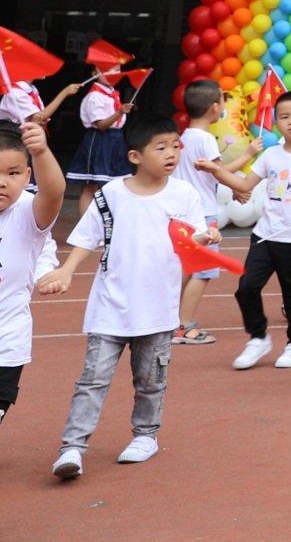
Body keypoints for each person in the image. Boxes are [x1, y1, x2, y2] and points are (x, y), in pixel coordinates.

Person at [37, 111, 212, 480]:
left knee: (150, 380)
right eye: (161, 147)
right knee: (93, 380)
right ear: (135, 156)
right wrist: (67, 271)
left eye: (175, 146)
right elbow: (87, 238)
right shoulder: (112, 194)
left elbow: (191, 239)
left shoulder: (184, 194)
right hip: (110, 306)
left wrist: (205, 238)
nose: (171, 153)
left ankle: (145, 436)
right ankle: (72, 448)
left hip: (159, 308)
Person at [231, 89, 291, 373]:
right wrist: (214, 171)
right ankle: (259, 337)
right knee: (246, 287)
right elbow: (245, 185)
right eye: (284, 117)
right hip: (264, 234)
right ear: (276, 122)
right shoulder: (270, 154)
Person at [170, 79, 258, 345]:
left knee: (186, 268)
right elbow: (220, 171)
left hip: (185, 213)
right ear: (214, 107)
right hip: (203, 214)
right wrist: (250, 155)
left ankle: (173, 320)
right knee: (203, 271)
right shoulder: (205, 138)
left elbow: (212, 175)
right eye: (222, 101)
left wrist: (234, 189)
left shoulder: (183, 137)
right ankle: (183, 326)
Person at [0, 119, 67, 430]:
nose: (3, 182)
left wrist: (40, 152)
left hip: (6, 341)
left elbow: (54, 194)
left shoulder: (28, 212)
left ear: (27, 176)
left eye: (12, 173)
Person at [65, 71, 131, 225]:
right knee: (91, 186)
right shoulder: (95, 96)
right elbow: (101, 125)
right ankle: (86, 229)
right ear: (94, 73)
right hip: (100, 140)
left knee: (112, 185)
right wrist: (120, 112)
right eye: (108, 70)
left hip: (115, 139)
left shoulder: (112, 94)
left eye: (117, 70)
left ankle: (104, 226)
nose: (113, 74)